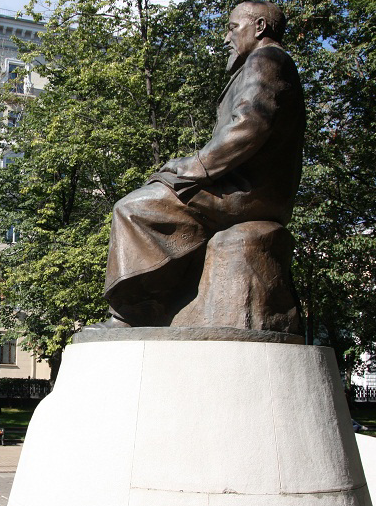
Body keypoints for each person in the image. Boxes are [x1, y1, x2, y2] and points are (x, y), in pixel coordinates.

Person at [92, 0, 305, 329]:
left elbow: (249, 126)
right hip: (248, 188)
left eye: (233, 28)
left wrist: (196, 166)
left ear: (259, 27)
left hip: (248, 192)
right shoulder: (266, 63)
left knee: (133, 208)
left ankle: (133, 313)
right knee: (161, 185)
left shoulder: (267, 59)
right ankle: (159, 303)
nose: (226, 38)